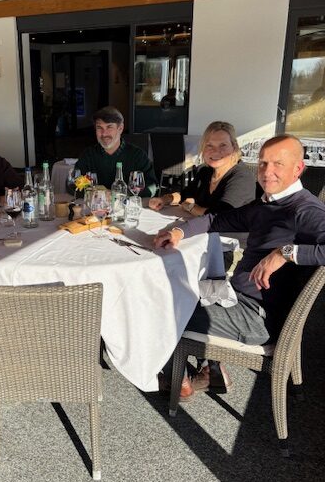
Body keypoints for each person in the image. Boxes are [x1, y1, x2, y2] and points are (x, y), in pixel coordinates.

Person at [154, 135, 325, 400]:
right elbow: (216, 220)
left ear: (298, 169)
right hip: (236, 298)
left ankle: (179, 380)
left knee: (160, 306)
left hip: (257, 317)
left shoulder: (304, 209)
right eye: (263, 163)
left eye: (278, 164)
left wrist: (287, 253)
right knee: (174, 287)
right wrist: (178, 231)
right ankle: (211, 372)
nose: (267, 171)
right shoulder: (267, 203)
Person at [149, 121, 257, 216]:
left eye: (223, 145)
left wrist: (191, 207)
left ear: (234, 147)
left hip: (230, 233)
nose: (215, 151)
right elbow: (185, 195)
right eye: (209, 145)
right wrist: (164, 199)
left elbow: (219, 215)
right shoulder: (205, 171)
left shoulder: (242, 178)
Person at [73, 106, 157, 196]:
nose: (104, 133)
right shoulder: (88, 155)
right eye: (99, 128)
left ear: (120, 128)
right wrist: (98, 193)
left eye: (109, 127)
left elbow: (152, 187)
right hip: (96, 204)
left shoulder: (137, 155)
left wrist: (119, 194)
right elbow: (73, 185)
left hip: (126, 204)